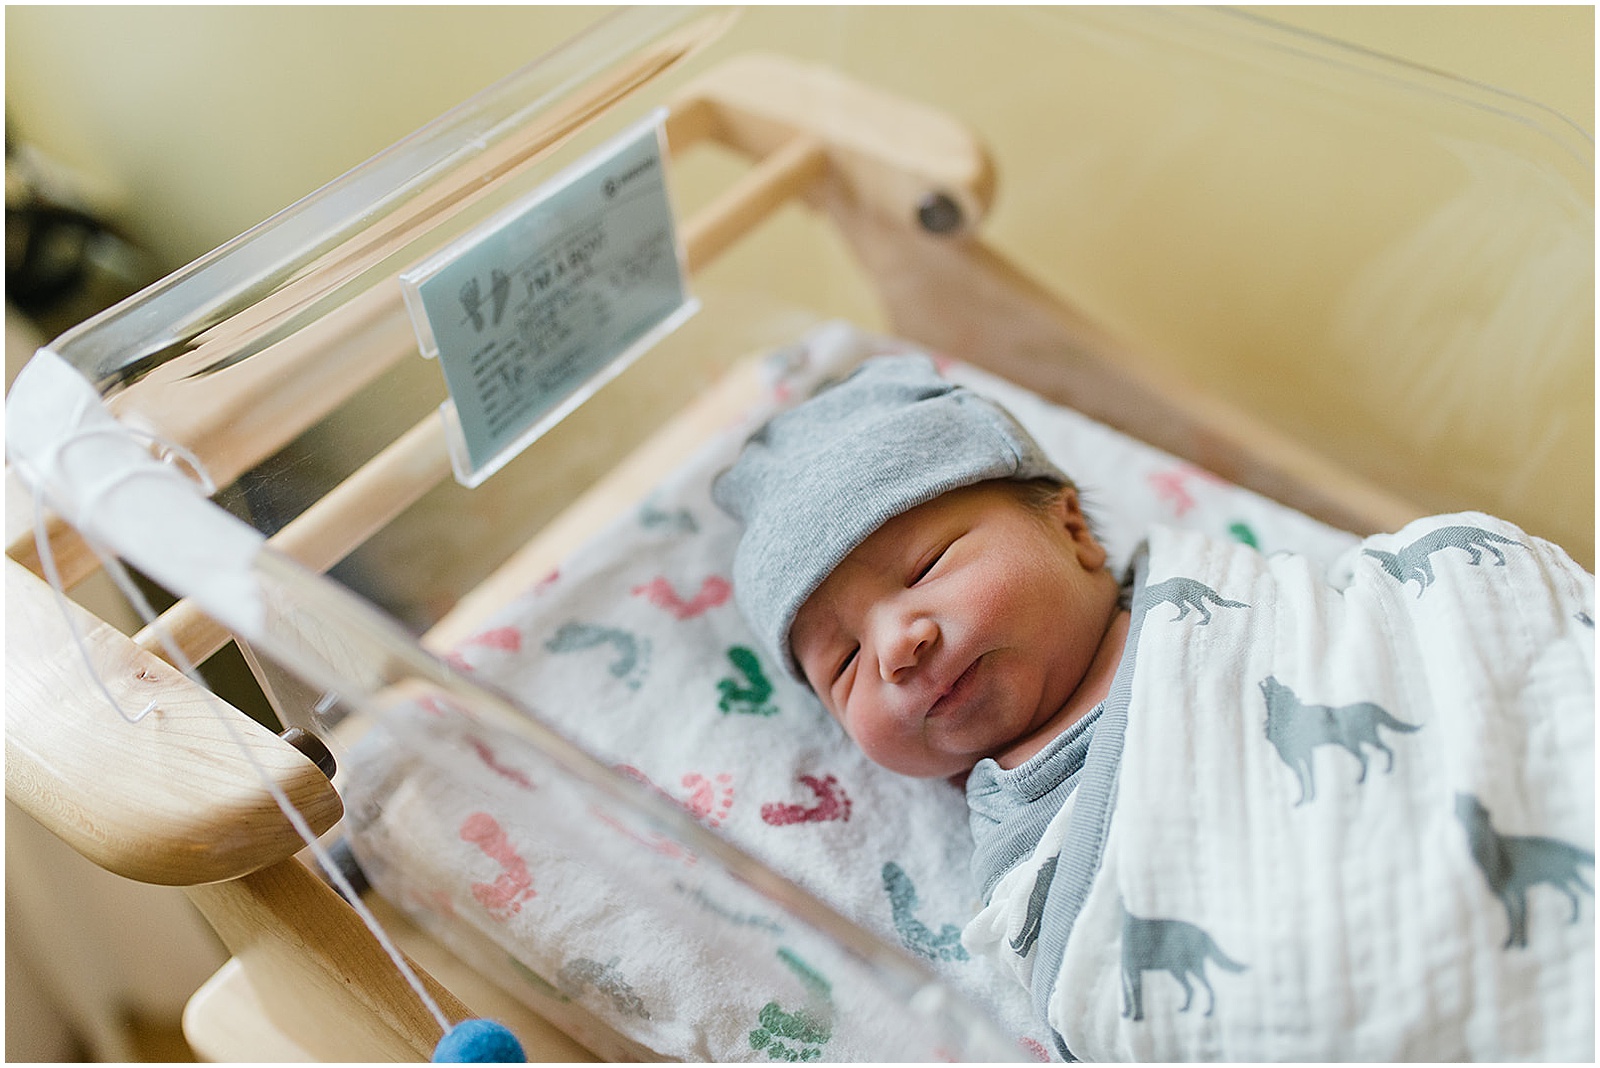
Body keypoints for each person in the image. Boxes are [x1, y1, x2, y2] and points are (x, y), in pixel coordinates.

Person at [713, 353, 1594, 1061]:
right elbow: (1101, 982)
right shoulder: (1027, 851)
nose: (896, 646)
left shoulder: (1254, 617)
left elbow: (1417, 629)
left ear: (1073, 530)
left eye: (927, 567)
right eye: (844, 664)